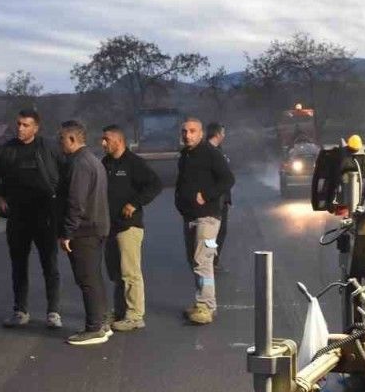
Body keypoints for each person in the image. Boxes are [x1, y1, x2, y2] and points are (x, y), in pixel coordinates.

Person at [0, 109, 64, 329]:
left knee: (50, 265)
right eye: (19, 124)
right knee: (18, 266)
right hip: (18, 217)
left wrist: (60, 204)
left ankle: (53, 312)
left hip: (45, 215)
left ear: (36, 128)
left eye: (25, 125)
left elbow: (65, 174)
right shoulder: (6, 150)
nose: (20, 128)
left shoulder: (49, 148)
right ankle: (20, 311)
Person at [100, 124, 161, 331]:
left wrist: (135, 203)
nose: (103, 143)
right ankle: (120, 312)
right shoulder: (105, 163)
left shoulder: (134, 163)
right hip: (110, 226)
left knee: (130, 273)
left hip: (129, 227)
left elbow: (155, 184)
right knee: (116, 273)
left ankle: (135, 315)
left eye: (106, 139)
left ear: (119, 141)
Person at [56, 120, 111, 346]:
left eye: (61, 139)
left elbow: (76, 202)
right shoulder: (93, 160)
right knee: (94, 277)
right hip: (97, 227)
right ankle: (103, 322)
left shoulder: (79, 163)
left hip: (84, 231)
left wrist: (67, 232)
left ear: (71, 139)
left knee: (86, 279)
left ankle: (94, 328)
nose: (59, 143)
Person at [175, 117, 235, 325]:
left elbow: (228, 179)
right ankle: (201, 302)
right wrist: (180, 202)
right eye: (184, 131)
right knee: (194, 261)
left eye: (192, 131)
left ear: (201, 134)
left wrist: (207, 195)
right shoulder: (185, 156)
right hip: (190, 217)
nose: (187, 135)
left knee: (204, 261)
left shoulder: (211, 154)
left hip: (208, 217)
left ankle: (207, 306)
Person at [206, 122, 233, 270]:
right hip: (213, 201)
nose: (224, 135)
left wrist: (227, 199)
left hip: (222, 200)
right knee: (212, 233)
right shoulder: (207, 152)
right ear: (217, 134)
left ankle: (214, 260)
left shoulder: (219, 150)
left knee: (221, 231)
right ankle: (209, 262)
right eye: (222, 133)